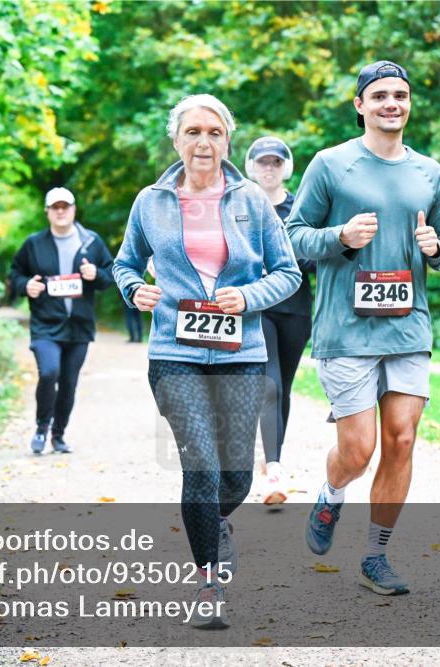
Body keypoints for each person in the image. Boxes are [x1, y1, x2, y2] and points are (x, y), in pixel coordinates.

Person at [113, 94, 300, 628]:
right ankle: (208, 584)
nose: (204, 142)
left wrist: (250, 298)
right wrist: (135, 291)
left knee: (236, 480)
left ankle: (213, 520)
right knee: (201, 466)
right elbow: (125, 265)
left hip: (240, 351)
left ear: (227, 141)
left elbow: (287, 272)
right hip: (174, 352)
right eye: (193, 131)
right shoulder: (150, 201)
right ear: (176, 139)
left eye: (215, 133)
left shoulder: (252, 201)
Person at [286, 61, 440, 595]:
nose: (392, 104)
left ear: (409, 104)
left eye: (400, 95)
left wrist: (437, 250)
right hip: (346, 329)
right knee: (358, 450)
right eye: (380, 95)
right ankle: (331, 495)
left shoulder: (428, 171)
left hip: (408, 327)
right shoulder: (331, 165)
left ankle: (376, 555)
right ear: (360, 105)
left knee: (402, 439)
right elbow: (291, 237)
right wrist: (340, 235)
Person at [9, 187, 115, 454]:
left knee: (68, 382)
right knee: (49, 372)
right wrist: (25, 286)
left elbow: (112, 274)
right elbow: (15, 272)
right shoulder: (34, 243)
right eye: (54, 207)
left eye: (64, 206)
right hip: (45, 324)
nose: (60, 211)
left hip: (79, 325)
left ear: (73, 209)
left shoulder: (91, 242)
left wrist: (96, 275)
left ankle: (59, 435)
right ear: (47, 212)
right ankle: (42, 427)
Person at [244, 136, 314, 505]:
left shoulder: (299, 209)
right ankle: (273, 469)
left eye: (274, 163)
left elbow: (316, 253)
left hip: (296, 310)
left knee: (282, 387)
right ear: (251, 167)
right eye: (261, 162)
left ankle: (275, 460)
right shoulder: (242, 204)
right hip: (258, 309)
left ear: (284, 167)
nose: (268, 169)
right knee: (268, 384)